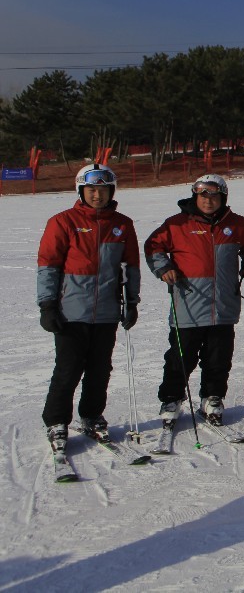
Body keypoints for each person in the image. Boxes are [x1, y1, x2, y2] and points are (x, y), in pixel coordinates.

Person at [38, 164, 141, 450]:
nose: (98, 195)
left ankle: (91, 415)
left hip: (107, 311)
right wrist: (47, 304)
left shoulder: (122, 224)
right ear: (81, 190)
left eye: (103, 190)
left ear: (112, 191)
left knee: (100, 369)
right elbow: (48, 266)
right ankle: (56, 421)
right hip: (71, 312)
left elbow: (130, 266)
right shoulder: (63, 221)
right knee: (68, 368)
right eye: (92, 190)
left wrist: (131, 302)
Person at [146, 174, 244, 426]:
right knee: (180, 357)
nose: (209, 201)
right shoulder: (177, 224)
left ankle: (212, 397)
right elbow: (153, 246)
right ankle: (171, 398)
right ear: (195, 196)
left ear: (223, 197)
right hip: (188, 304)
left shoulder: (236, 224)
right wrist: (163, 267)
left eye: (214, 196)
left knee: (219, 357)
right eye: (203, 196)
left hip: (223, 306)